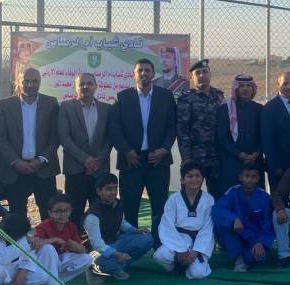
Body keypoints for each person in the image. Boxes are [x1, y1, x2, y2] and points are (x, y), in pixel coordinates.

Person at [108, 58, 177, 240]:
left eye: (147, 70)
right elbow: (114, 128)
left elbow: (172, 126)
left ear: (153, 74)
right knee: (130, 206)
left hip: (158, 160)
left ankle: (159, 243)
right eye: (140, 70)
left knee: (159, 206)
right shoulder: (122, 97)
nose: (144, 73)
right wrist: (126, 150)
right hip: (131, 160)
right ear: (134, 74)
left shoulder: (165, 96)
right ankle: (132, 244)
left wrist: (164, 149)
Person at [0, 67, 60, 220]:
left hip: (43, 168)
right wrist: (16, 161)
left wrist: (41, 159)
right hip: (15, 170)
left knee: (49, 214)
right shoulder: (4, 105)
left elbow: (55, 136)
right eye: (26, 81)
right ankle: (19, 237)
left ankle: (46, 237)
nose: (30, 85)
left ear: (40, 82)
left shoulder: (51, 103)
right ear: (18, 82)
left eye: (34, 81)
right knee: (17, 215)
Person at [0, 212, 80, 285]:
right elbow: (2, 259)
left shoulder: (18, 232)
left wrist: (24, 268)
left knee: (46, 253)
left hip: (10, 271)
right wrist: (28, 241)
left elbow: (31, 249)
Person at [58, 73, 112, 227]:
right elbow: (64, 138)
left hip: (99, 170)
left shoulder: (107, 109)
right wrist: (86, 159)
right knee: (74, 213)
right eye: (81, 84)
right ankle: (75, 240)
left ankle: (100, 241)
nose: (85, 87)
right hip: (75, 169)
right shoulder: (66, 107)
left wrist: (98, 160)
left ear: (96, 86)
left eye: (89, 83)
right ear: (75, 87)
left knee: (100, 212)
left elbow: (110, 139)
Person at [84, 172, 153, 281]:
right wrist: (118, 255)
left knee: (147, 238)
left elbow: (122, 223)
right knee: (105, 262)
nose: (113, 192)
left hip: (115, 242)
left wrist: (135, 230)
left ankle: (116, 266)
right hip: (97, 252)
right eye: (108, 189)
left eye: (115, 188)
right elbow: (97, 245)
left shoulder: (117, 203)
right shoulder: (92, 215)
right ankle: (103, 267)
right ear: (99, 191)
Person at [153, 161, 215, 280]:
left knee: (198, 274)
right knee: (160, 256)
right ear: (182, 180)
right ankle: (175, 267)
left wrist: (195, 252)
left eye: (197, 175)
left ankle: (188, 265)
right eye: (190, 176)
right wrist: (179, 249)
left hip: (197, 241)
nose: (194, 179)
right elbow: (167, 225)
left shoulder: (208, 200)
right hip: (178, 238)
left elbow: (207, 229)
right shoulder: (174, 199)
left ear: (202, 178)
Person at [212, 162, 275, 273]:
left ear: (258, 179)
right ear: (240, 177)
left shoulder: (265, 197)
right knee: (222, 224)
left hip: (253, 237)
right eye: (247, 176)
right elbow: (217, 209)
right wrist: (233, 219)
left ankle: (245, 255)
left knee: (258, 256)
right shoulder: (233, 191)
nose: (250, 180)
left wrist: (261, 242)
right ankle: (238, 257)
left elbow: (268, 223)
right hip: (236, 232)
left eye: (253, 177)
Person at [176, 59, 225, 194]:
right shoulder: (186, 98)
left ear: (210, 74)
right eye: (198, 73)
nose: (202, 75)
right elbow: (182, 130)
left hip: (216, 156)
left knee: (217, 195)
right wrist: (187, 158)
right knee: (190, 195)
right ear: (192, 77)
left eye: (205, 72)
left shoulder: (219, 96)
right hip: (195, 156)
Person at [215, 73, 264, 197]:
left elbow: (265, 135)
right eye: (241, 86)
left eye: (248, 86)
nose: (245, 89)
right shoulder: (225, 109)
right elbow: (222, 138)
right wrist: (239, 154)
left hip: (255, 161)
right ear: (236, 88)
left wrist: (257, 152)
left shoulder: (259, 109)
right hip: (232, 162)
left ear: (253, 88)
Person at [32, 193, 95, 285]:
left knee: (87, 259)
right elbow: (35, 244)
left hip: (62, 260)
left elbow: (81, 249)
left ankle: (54, 282)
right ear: (50, 213)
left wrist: (78, 248)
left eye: (66, 210)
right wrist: (54, 239)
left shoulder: (71, 227)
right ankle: (51, 284)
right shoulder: (44, 226)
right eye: (58, 211)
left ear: (71, 211)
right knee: (48, 249)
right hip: (46, 262)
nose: (62, 214)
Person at [262, 70, 290, 191]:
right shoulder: (270, 108)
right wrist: (274, 165)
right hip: (280, 167)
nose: (288, 87)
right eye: (285, 83)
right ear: (278, 85)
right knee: (280, 198)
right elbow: (267, 139)